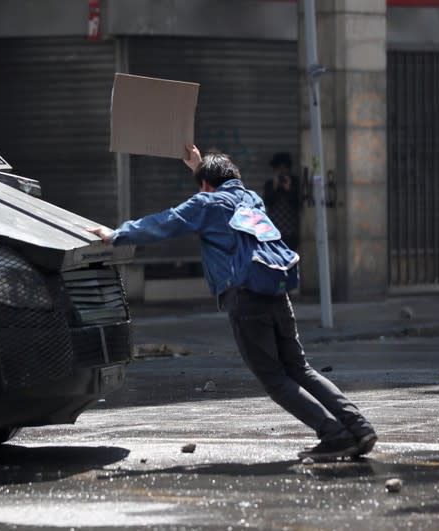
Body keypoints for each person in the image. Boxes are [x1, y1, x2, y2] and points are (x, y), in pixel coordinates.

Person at [89, 145, 377, 460]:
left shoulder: (206, 203)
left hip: (245, 299)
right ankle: (359, 427)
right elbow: (220, 193)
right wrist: (200, 169)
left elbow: (165, 223)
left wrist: (116, 234)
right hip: (276, 291)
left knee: (274, 379)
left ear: (206, 185)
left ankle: (335, 435)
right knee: (300, 368)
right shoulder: (252, 199)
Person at [264, 152, 300, 251]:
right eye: (278, 169)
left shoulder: (295, 182)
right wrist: (274, 188)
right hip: (274, 231)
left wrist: (289, 189)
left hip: (291, 232)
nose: (281, 172)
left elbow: (298, 204)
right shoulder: (270, 184)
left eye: (284, 169)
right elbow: (267, 202)